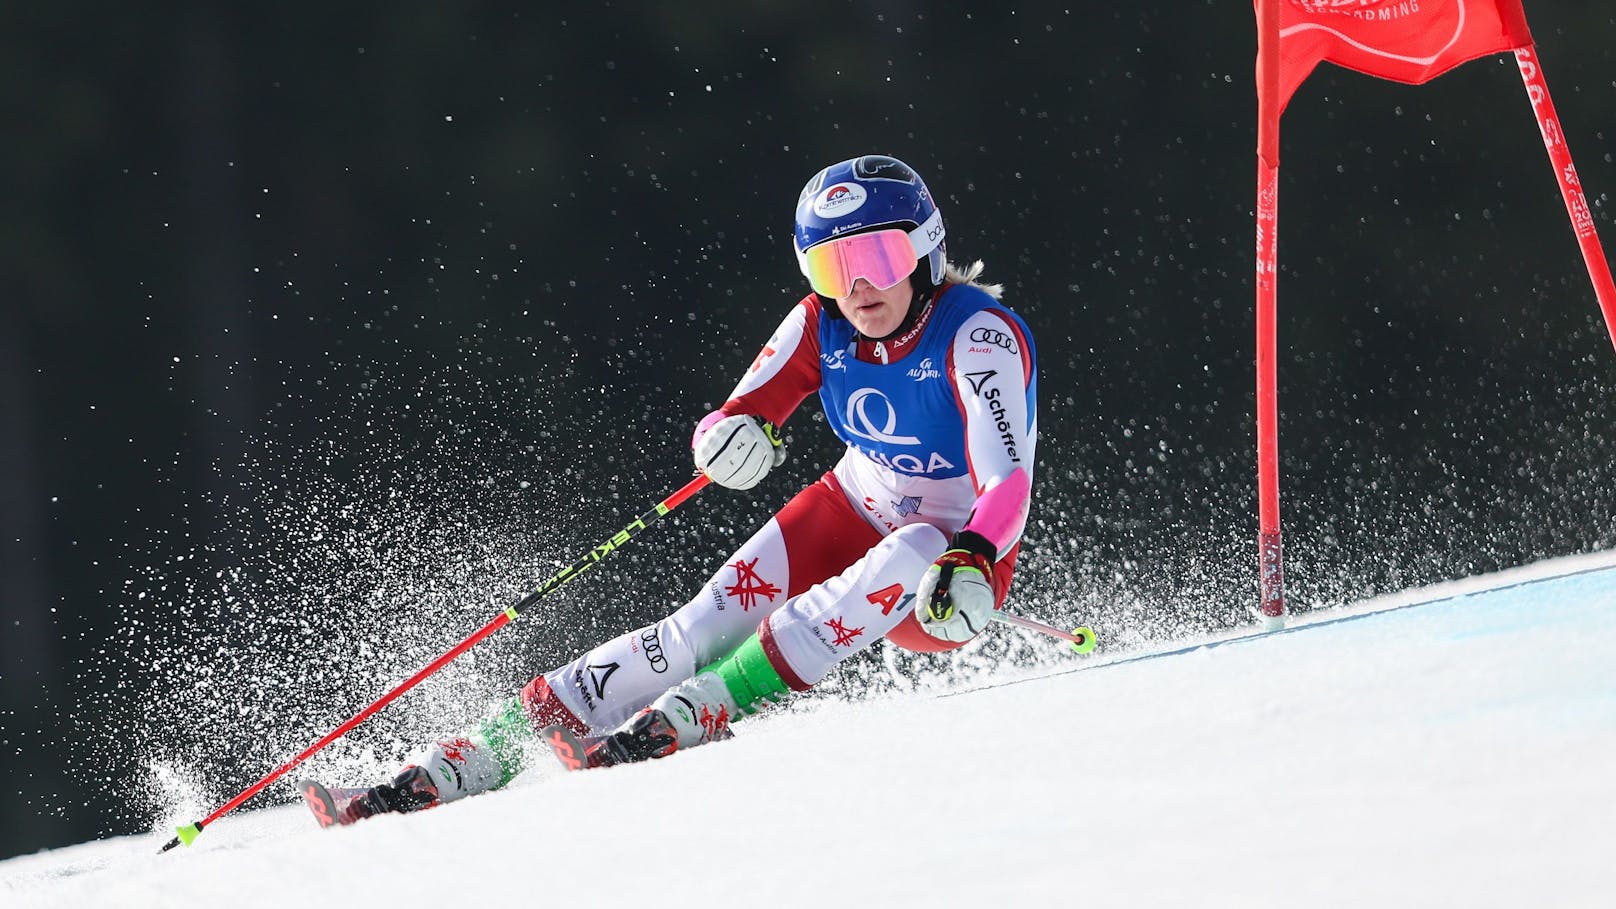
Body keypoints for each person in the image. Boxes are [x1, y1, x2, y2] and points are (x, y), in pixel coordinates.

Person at [309, 154, 1038, 824]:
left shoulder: (976, 335)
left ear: (925, 249)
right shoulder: (823, 323)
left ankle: (712, 702)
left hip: (957, 564)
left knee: (913, 545)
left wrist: (971, 552)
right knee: (697, 626)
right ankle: (468, 754)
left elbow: (1006, 481)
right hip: (849, 509)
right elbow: (733, 415)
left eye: (877, 255)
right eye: (828, 264)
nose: (856, 286)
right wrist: (725, 439)